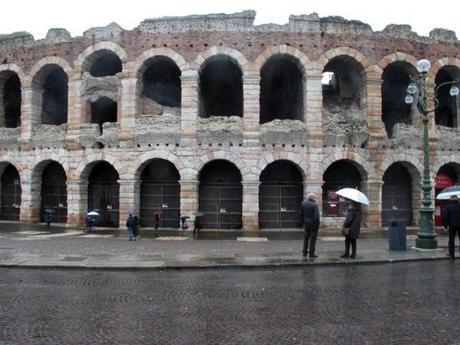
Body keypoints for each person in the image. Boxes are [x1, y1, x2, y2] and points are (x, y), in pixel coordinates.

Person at [300, 193, 320, 258]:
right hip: (313, 224)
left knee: (306, 238)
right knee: (313, 239)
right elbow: (316, 217)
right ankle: (311, 253)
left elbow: (301, 214)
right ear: (313, 198)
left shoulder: (303, 203)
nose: (316, 199)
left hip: (306, 223)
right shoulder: (314, 205)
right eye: (315, 198)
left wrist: (303, 222)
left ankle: (304, 252)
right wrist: (317, 224)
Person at [442, 195, 460, 259]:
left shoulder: (447, 207)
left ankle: (452, 254)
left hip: (451, 225)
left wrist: (445, 226)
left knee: (451, 240)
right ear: (457, 199)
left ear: (451, 200)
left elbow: (445, 217)